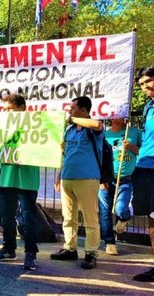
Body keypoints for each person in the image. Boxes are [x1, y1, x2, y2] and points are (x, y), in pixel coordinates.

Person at [0, 95, 40, 271]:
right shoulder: (1, 127)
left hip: (27, 179)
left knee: (28, 218)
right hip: (7, 177)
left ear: (22, 107)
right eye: (4, 109)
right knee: (6, 217)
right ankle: (9, 249)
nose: (6, 112)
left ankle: (31, 254)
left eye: (10, 108)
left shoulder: (36, 125)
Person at [52, 96, 104, 269]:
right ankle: (70, 248)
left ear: (83, 110)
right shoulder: (69, 130)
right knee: (68, 217)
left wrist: (72, 119)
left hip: (87, 177)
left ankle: (91, 253)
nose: (69, 110)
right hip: (68, 177)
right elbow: (65, 153)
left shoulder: (92, 128)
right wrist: (59, 175)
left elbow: (97, 125)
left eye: (73, 108)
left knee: (90, 217)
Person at [130, 67, 154, 294]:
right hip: (143, 167)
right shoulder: (147, 108)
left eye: (149, 82)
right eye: (142, 84)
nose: (146, 87)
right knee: (152, 222)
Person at [98, 117, 141, 255]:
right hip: (106, 179)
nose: (118, 117)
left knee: (121, 209)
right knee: (105, 212)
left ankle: (124, 219)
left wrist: (131, 147)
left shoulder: (134, 132)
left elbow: (144, 150)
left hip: (126, 179)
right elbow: (99, 158)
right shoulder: (104, 134)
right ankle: (109, 242)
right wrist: (101, 179)